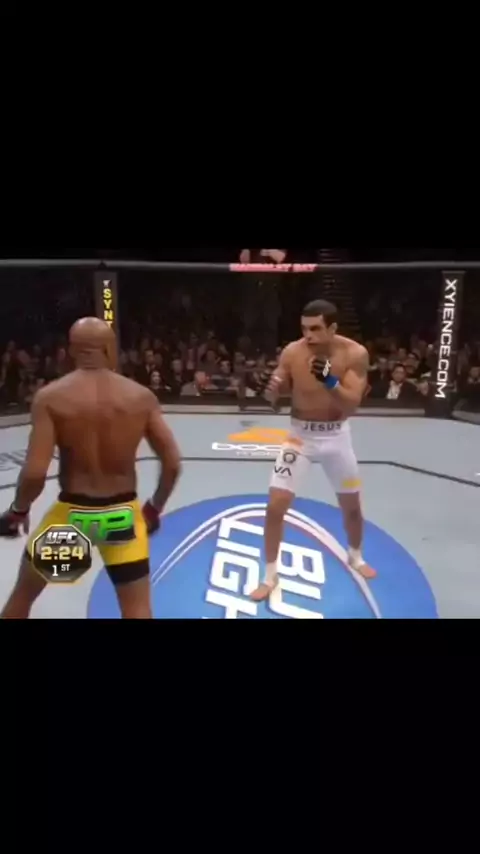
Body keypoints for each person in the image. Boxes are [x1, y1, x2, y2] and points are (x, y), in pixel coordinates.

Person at [0, 317, 182, 619]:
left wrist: (19, 510)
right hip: (122, 516)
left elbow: (34, 473)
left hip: (72, 516)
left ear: (72, 351)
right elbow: (172, 463)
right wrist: (154, 508)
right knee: (137, 611)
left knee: (22, 599)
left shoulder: (51, 398)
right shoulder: (140, 397)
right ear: (110, 349)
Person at [250, 299, 375, 603]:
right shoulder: (293, 352)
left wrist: (329, 381)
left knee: (352, 507)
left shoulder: (355, 354)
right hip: (299, 437)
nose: (308, 335)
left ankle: (356, 555)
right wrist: (271, 389)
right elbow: (275, 393)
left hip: (336, 436)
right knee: (275, 506)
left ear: (333, 328)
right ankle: (269, 575)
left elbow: (352, 404)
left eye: (316, 329)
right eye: (304, 328)